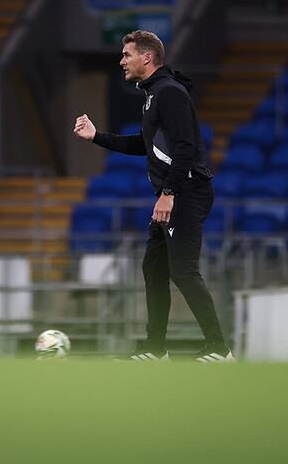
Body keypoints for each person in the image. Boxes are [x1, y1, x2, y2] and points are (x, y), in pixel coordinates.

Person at [73, 30, 233, 363]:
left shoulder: (169, 93)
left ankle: (219, 349)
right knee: (154, 270)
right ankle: (155, 348)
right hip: (174, 193)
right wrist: (97, 137)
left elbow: (186, 146)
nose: (121, 61)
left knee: (184, 270)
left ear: (147, 58)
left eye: (126, 54)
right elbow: (144, 145)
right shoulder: (154, 94)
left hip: (186, 193)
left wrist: (170, 193)